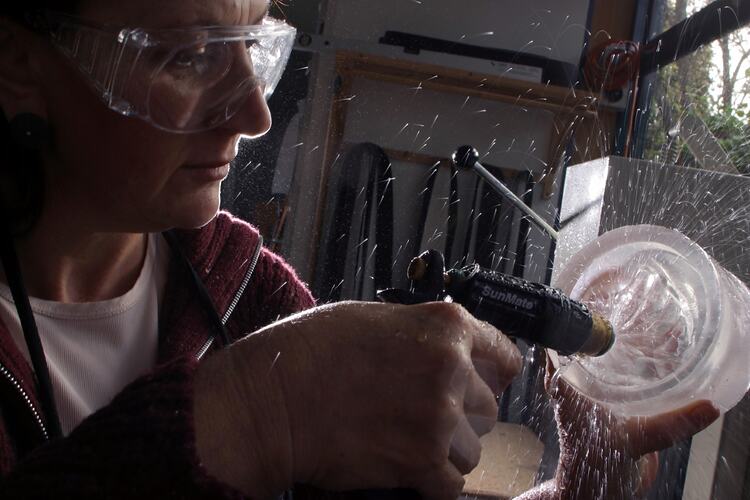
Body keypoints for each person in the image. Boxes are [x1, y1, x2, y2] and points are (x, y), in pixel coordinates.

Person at [0, 0, 720, 498]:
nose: (254, 113)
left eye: (252, 48)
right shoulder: (275, 361)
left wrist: (573, 493)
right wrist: (261, 412)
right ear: (21, 65)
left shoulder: (252, 297)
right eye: (188, 57)